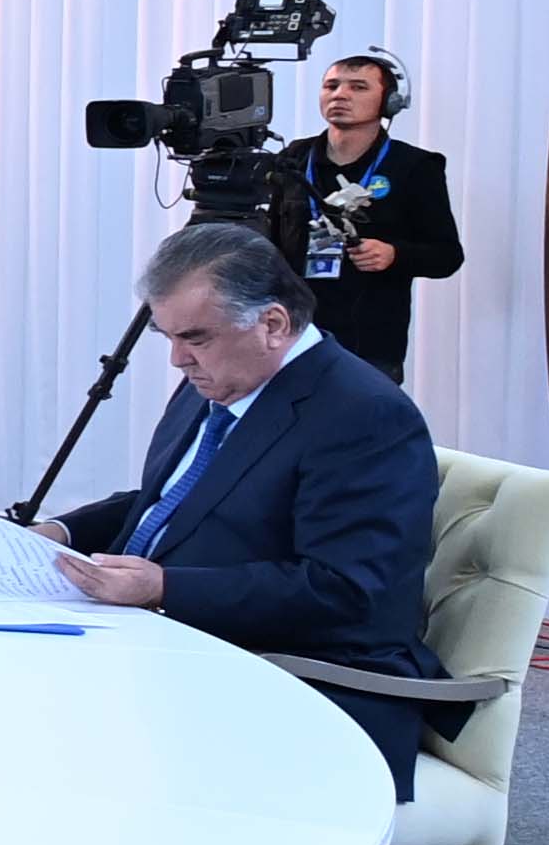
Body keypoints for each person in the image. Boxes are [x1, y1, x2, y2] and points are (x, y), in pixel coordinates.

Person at [52, 219, 449, 791]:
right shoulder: (222, 378)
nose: (177, 360)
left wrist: (162, 587)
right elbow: (177, 500)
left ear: (273, 324)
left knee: (56, 745)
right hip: (177, 647)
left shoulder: (364, 415)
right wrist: (61, 530)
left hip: (300, 684)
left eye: (195, 338)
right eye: (168, 337)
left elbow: (345, 591)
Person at [280, 52, 460, 383]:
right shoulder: (292, 158)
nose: (340, 95)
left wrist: (394, 254)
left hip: (369, 342)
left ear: (389, 102)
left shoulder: (414, 167)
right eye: (331, 86)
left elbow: (447, 256)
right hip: (289, 334)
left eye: (358, 87)